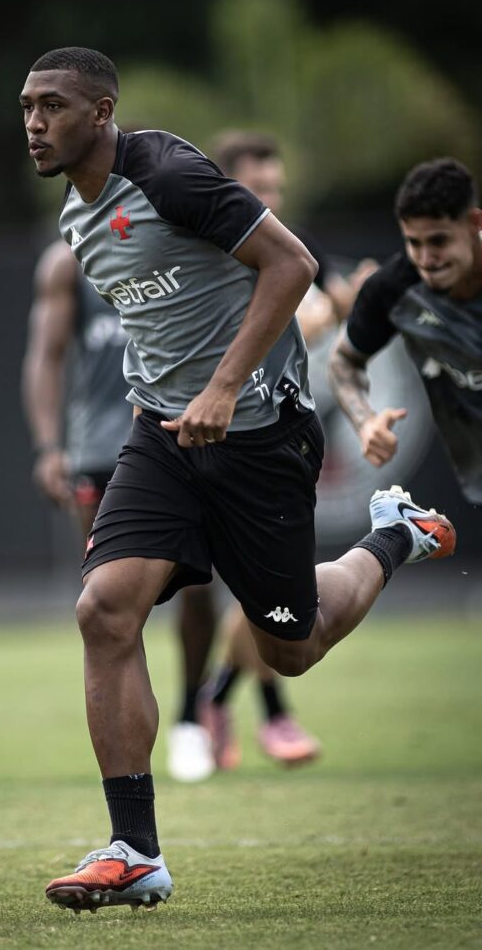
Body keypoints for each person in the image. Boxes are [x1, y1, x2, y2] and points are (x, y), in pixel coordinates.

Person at [19, 47, 456, 914]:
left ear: (102, 112)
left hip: (260, 435)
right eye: (26, 107)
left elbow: (289, 265)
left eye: (53, 106)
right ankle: (135, 850)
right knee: (104, 607)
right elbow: (165, 315)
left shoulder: (168, 171)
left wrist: (223, 385)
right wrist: (175, 401)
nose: (34, 123)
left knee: (291, 643)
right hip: (164, 436)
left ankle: (392, 534)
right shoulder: (74, 214)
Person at [197, 130, 379, 770]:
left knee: (264, 590)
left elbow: (333, 316)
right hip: (221, 439)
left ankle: (218, 700)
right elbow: (279, 327)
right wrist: (330, 311)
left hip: (282, 432)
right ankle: (266, 716)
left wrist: (352, 307)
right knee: (265, 589)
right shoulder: (209, 251)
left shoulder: (292, 243)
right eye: (258, 189)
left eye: (277, 189)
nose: (270, 201)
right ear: (225, 189)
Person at [21, 236, 216, 782]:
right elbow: (46, 355)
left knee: (198, 589)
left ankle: (190, 719)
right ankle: (131, 756)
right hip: (99, 452)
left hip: (176, 440)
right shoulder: (67, 261)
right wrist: (47, 447)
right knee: (110, 606)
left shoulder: (181, 241)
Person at [328, 156, 482, 507]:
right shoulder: (394, 288)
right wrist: (366, 422)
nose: (427, 258)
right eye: (414, 242)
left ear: (474, 223)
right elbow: (343, 362)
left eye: (439, 241)